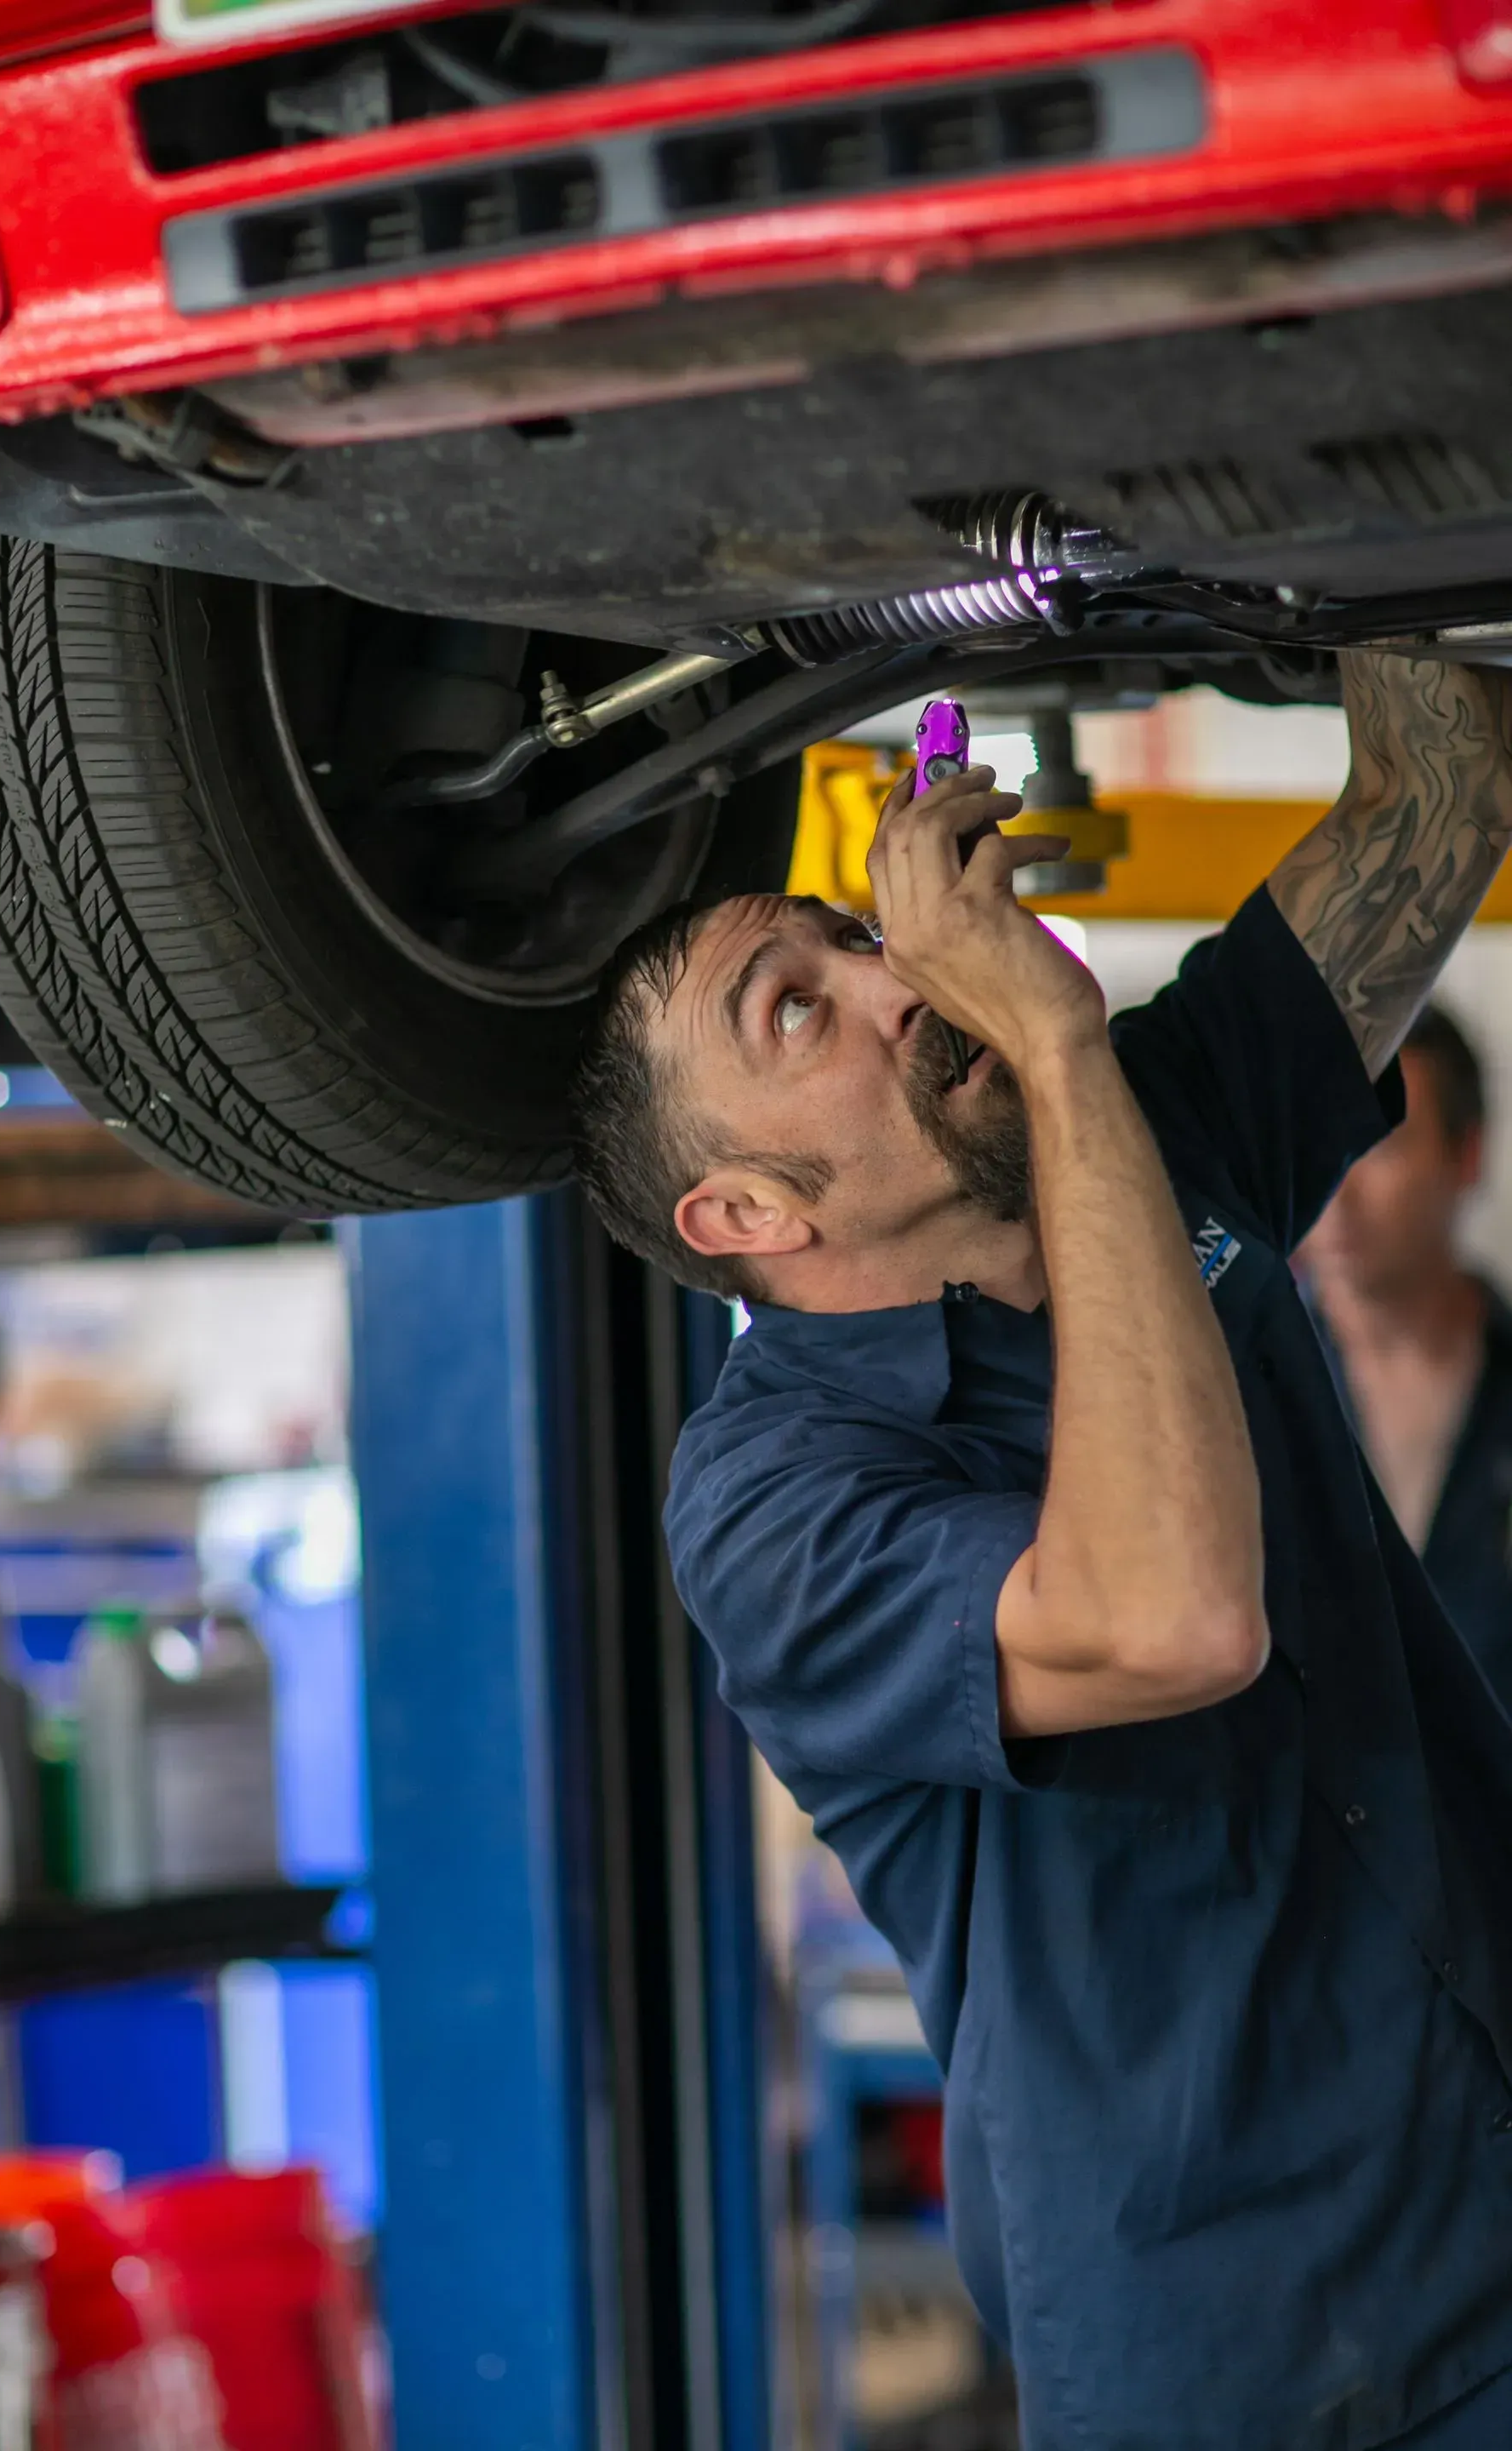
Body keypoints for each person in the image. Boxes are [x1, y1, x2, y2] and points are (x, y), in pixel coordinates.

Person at [569, 651, 1512, 2451]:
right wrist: (1059, 1034)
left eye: (860, 935)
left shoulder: (1153, 1125)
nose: (889, 978)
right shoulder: (772, 1499)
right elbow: (1168, 1617)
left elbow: (1439, 799)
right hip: (1264, 2365)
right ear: (749, 1212)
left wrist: (1320, 445)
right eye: (800, 1009)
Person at [1299, 1006, 1512, 1697]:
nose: (1338, 1187)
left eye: (1379, 1146)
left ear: (1467, 1155)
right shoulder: (1237, 1389)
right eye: (1316, 1143)